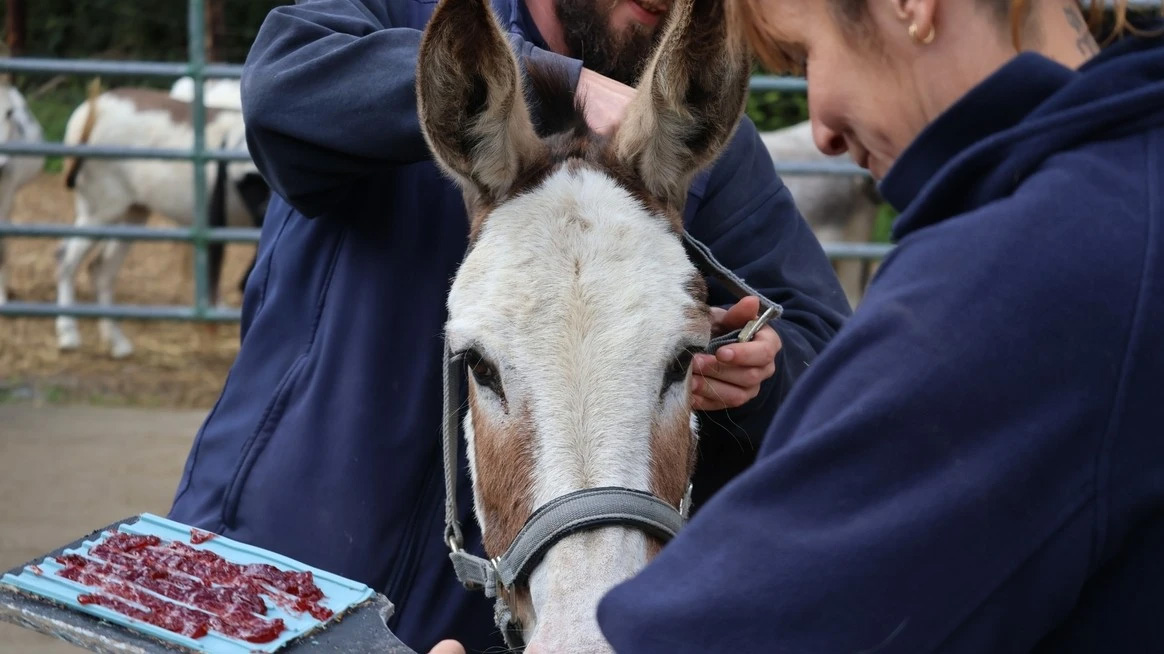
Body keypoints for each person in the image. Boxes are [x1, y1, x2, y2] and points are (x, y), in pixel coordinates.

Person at [166, 0, 852, 651]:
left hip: (489, 627)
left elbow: (829, 367)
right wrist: (563, 83)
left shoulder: (701, 137)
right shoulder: (410, 19)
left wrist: (759, 370)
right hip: (258, 579)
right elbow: (282, 90)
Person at [592, 0, 1164, 651]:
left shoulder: (1030, 276)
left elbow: (747, 622)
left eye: (809, 55)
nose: (820, 127)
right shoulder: (1133, 182)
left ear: (911, 7)